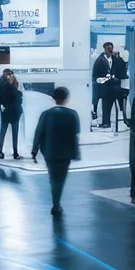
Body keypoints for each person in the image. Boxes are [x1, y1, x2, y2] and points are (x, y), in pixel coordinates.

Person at [34, 86, 81, 216]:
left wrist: (34, 149)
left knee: (53, 177)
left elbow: (39, 132)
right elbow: (75, 134)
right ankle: (56, 203)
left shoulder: (46, 114)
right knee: (60, 178)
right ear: (66, 98)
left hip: (49, 151)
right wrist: (76, 152)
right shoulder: (72, 114)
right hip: (65, 152)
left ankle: (56, 202)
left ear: (54, 98)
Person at [91, 40, 128, 130]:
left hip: (113, 87)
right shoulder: (100, 60)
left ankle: (114, 121)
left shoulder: (115, 59)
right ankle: (106, 122)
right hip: (104, 87)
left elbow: (122, 71)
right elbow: (96, 75)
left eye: (111, 48)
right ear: (104, 49)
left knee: (111, 102)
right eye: (108, 48)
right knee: (106, 103)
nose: (110, 50)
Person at [0, 70, 25, 162]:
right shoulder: (12, 86)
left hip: (5, 111)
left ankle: (0, 152)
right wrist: (19, 93)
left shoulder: (0, 85)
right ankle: (15, 153)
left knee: (2, 132)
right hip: (14, 111)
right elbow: (18, 99)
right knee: (15, 133)